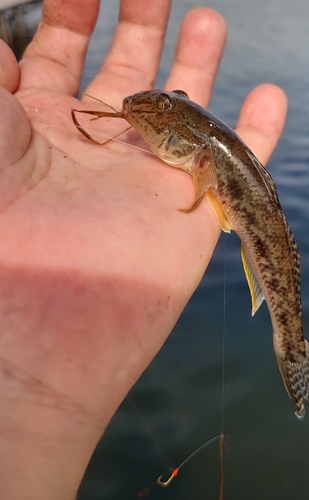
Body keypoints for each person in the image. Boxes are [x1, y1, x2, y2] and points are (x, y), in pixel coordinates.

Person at [0, 0, 287, 498]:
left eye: (165, 112)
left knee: (279, 298)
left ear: (194, 155)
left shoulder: (202, 157)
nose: (147, 116)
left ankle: (291, 345)